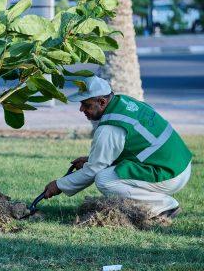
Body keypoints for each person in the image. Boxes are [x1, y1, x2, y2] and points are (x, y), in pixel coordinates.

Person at [44, 76, 192, 219]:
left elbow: (93, 170)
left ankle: (164, 206)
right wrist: (90, 160)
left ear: (102, 102)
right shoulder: (124, 102)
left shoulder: (109, 128)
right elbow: (128, 148)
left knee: (104, 179)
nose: (81, 109)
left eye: (86, 105)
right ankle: (158, 201)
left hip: (170, 174)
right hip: (180, 165)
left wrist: (58, 185)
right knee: (106, 172)